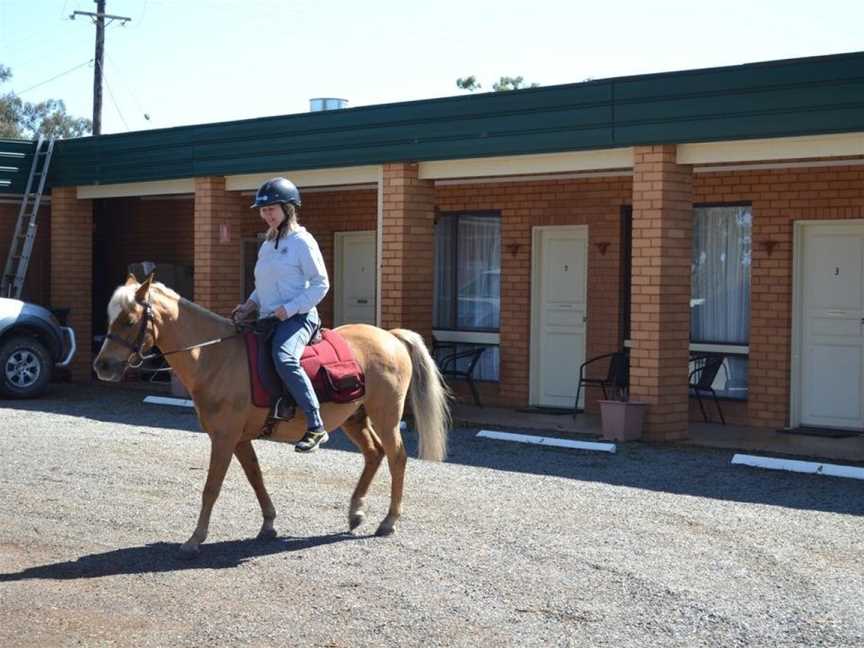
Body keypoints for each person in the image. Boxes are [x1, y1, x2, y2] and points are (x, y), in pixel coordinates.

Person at [232, 177, 330, 453]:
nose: (267, 215)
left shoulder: (302, 242)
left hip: (299, 317)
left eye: (272, 209)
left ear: (288, 208)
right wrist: (249, 305)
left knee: (284, 357)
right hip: (267, 317)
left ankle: (315, 425)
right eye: (263, 210)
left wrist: (289, 309)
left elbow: (321, 284)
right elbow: (263, 286)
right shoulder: (267, 244)